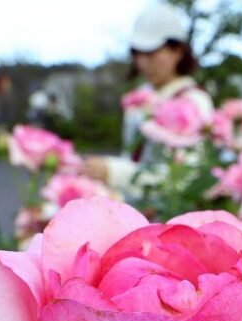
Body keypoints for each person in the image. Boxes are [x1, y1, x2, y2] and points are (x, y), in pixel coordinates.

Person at [82, 3, 213, 191]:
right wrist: (102, 168)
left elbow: (187, 175)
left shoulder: (195, 101)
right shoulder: (140, 99)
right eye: (137, 53)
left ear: (177, 51)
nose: (143, 62)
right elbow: (132, 158)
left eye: (151, 53)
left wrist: (113, 172)